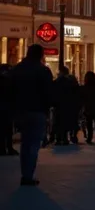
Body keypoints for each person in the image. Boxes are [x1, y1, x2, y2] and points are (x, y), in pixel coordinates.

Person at [8, 44, 53, 185]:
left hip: (21, 110)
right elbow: (48, 93)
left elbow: (10, 90)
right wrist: (48, 109)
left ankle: (25, 173)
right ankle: (28, 174)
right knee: (33, 144)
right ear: (40, 55)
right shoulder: (43, 71)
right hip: (37, 110)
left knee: (25, 142)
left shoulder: (17, 69)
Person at [52, 65, 81, 146]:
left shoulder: (57, 81)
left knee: (58, 121)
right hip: (68, 104)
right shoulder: (71, 82)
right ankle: (65, 138)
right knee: (65, 121)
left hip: (59, 104)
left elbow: (53, 92)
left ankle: (58, 138)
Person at [81, 71, 95, 144]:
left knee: (89, 124)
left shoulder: (85, 87)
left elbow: (83, 98)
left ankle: (89, 138)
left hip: (88, 108)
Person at [0, 64, 15, 156]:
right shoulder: (9, 81)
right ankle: (8, 147)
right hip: (7, 108)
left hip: (4, 107)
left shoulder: (7, 80)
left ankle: (3, 148)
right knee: (8, 129)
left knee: (3, 129)